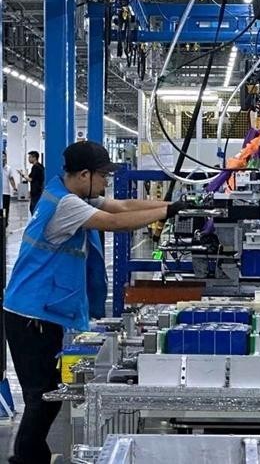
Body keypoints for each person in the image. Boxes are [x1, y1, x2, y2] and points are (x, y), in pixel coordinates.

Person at [3, 141, 187, 464]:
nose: (106, 182)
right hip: (30, 314)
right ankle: (25, 458)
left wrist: (171, 205)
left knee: (47, 394)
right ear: (84, 175)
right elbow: (114, 223)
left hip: (40, 311)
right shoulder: (65, 205)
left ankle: (34, 456)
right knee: (40, 397)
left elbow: (122, 206)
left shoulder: (69, 194)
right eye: (103, 176)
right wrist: (168, 212)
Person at [2, 151, 18, 226]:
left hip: (6, 192)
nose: (3, 158)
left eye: (4, 156)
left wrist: (14, 187)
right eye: (1, 156)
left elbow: (11, 179)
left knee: (5, 209)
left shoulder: (8, 168)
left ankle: (5, 223)